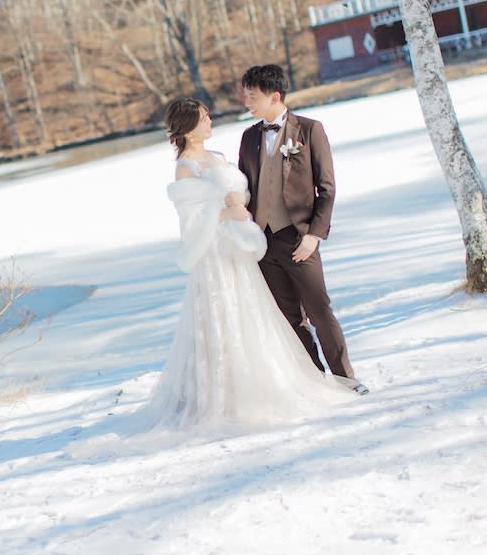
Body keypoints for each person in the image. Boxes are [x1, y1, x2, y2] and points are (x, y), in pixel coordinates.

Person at [138, 96, 355, 432]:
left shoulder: (218, 157)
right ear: (188, 128)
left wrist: (241, 202)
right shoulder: (185, 167)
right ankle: (228, 395)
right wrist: (226, 213)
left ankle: (317, 378)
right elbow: (191, 223)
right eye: (203, 118)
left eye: (208, 116)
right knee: (225, 316)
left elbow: (245, 192)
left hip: (241, 251)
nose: (210, 121)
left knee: (256, 314)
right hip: (216, 255)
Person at [237, 64, 368, 396]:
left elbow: (327, 188)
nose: (247, 103)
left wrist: (313, 235)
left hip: (299, 239)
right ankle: (315, 379)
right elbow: (245, 189)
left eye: (252, 97)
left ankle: (346, 379)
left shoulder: (310, 130)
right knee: (289, 318)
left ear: (274, 96)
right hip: (262, 244)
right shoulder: (249, 137)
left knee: (320, 311)